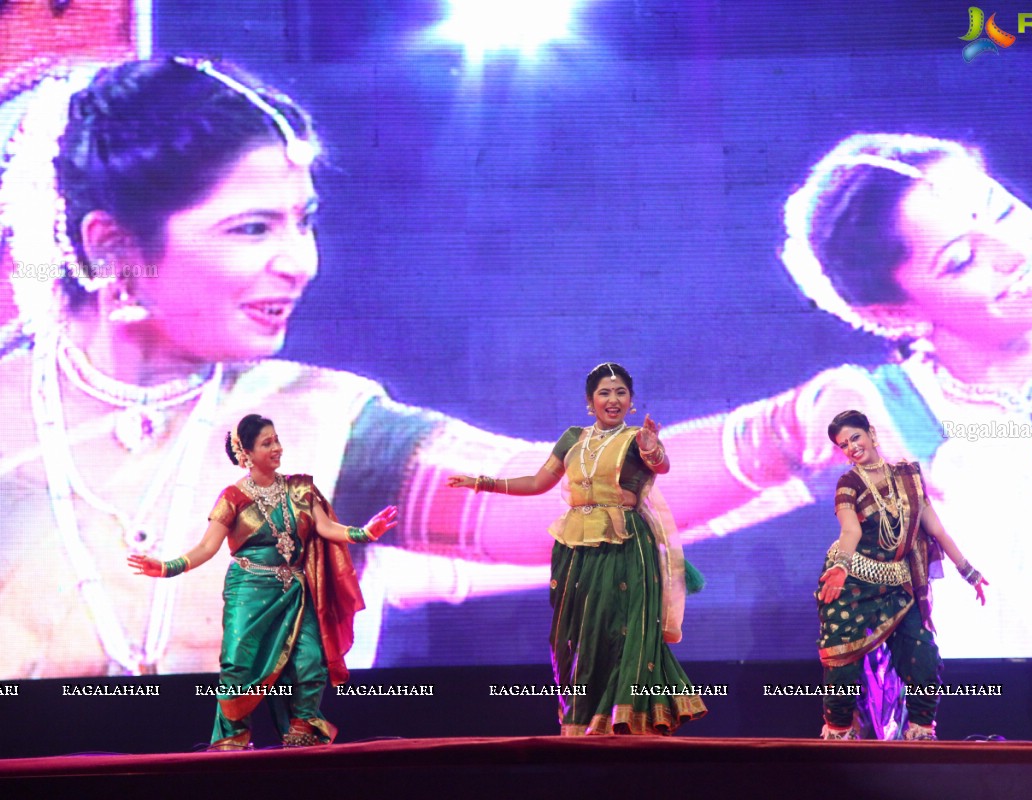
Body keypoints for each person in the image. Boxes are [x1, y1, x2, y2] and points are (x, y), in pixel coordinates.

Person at [0, 57, 562, 678]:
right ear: (114, 245)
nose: (301, 263)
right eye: (251, 228)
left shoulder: (321, 421)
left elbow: (556, 502)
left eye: (302, 222)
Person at [663, 132, 1032, 658]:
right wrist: (793, 424)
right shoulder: (877, 420)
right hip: (945, 739)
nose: (1015, 253)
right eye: (961, 258)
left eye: (1002, 210)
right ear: (894, 313)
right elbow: (584, 503)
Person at [448, 363, 707, 735]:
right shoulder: (572, 438)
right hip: (575, 549)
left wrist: (653, 449)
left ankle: (625, 718)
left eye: (621, 393)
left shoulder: (638, 437)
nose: (613, 400)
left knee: (620, 629)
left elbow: (661, 466)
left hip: (626, 545)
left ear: (631, 401)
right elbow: (539, 481)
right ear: (590, 401)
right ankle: (582, 721)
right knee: (573, 636)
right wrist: (484, 482)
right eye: (604, 393)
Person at [129, 413, 396, 749]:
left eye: (277, 440)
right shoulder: (233, 498)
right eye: (267, 443)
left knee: (309, 660)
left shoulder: (300, 489)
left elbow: (326, 528)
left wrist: (364, 532)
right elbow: (207, 547)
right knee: (239, 665)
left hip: (296, 592)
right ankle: (232, 738)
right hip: (249, 591)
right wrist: (168, 567)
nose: (277, 448)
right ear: (246, 454)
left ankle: (302, 732)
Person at [816, 410, 985, 741]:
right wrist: (840, 566)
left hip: (898, 584)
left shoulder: (909, 477)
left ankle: (920, 733)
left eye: (855, 438)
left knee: (923, 655)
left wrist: (968, 570)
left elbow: (934, 528)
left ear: (872, 434)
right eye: (843, 445)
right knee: (841, 664)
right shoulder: (848, 484)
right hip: (851, 582)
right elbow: (849, 531)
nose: (851, 447)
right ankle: (839, 735)